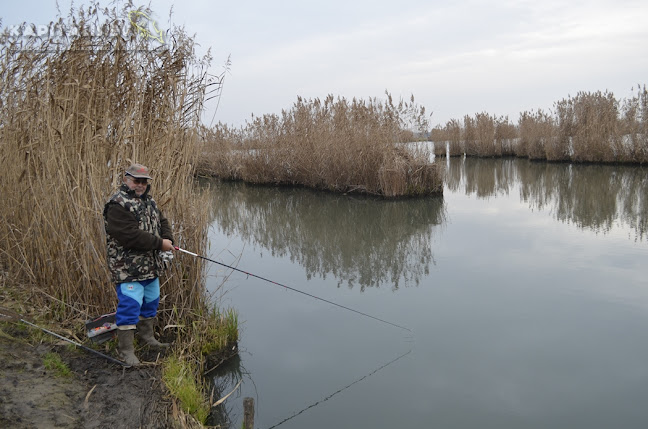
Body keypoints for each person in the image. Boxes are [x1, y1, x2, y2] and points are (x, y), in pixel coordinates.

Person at [103, 163, 175, 366]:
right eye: (136, 181)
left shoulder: (149, 201)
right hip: (127, 270)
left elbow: (162, 222)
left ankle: (148, 338)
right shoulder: (117, 205)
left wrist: (168, 238)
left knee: (151, 302)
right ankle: (126, 350)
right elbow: (130, 236)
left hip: (150, 268)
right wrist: (160, 244)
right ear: (126, 179)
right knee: (130, 306)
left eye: (144, 181)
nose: (140, 185)